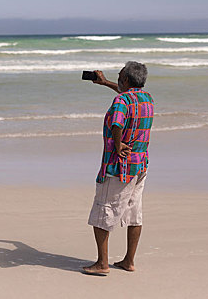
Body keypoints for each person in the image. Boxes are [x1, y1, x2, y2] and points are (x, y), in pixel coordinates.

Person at [81, 61, 154, 276]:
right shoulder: (147, 99)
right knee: (134, 213)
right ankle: (128, 261)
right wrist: (104, 83)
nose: (119, 78)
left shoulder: (121, 101)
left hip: (118, 167)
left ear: (126, 80)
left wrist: (118, 141)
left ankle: (102, 264)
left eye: (120, 75)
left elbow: (117, 123)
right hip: (140, 165)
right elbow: (127, 96)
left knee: (104, 211)